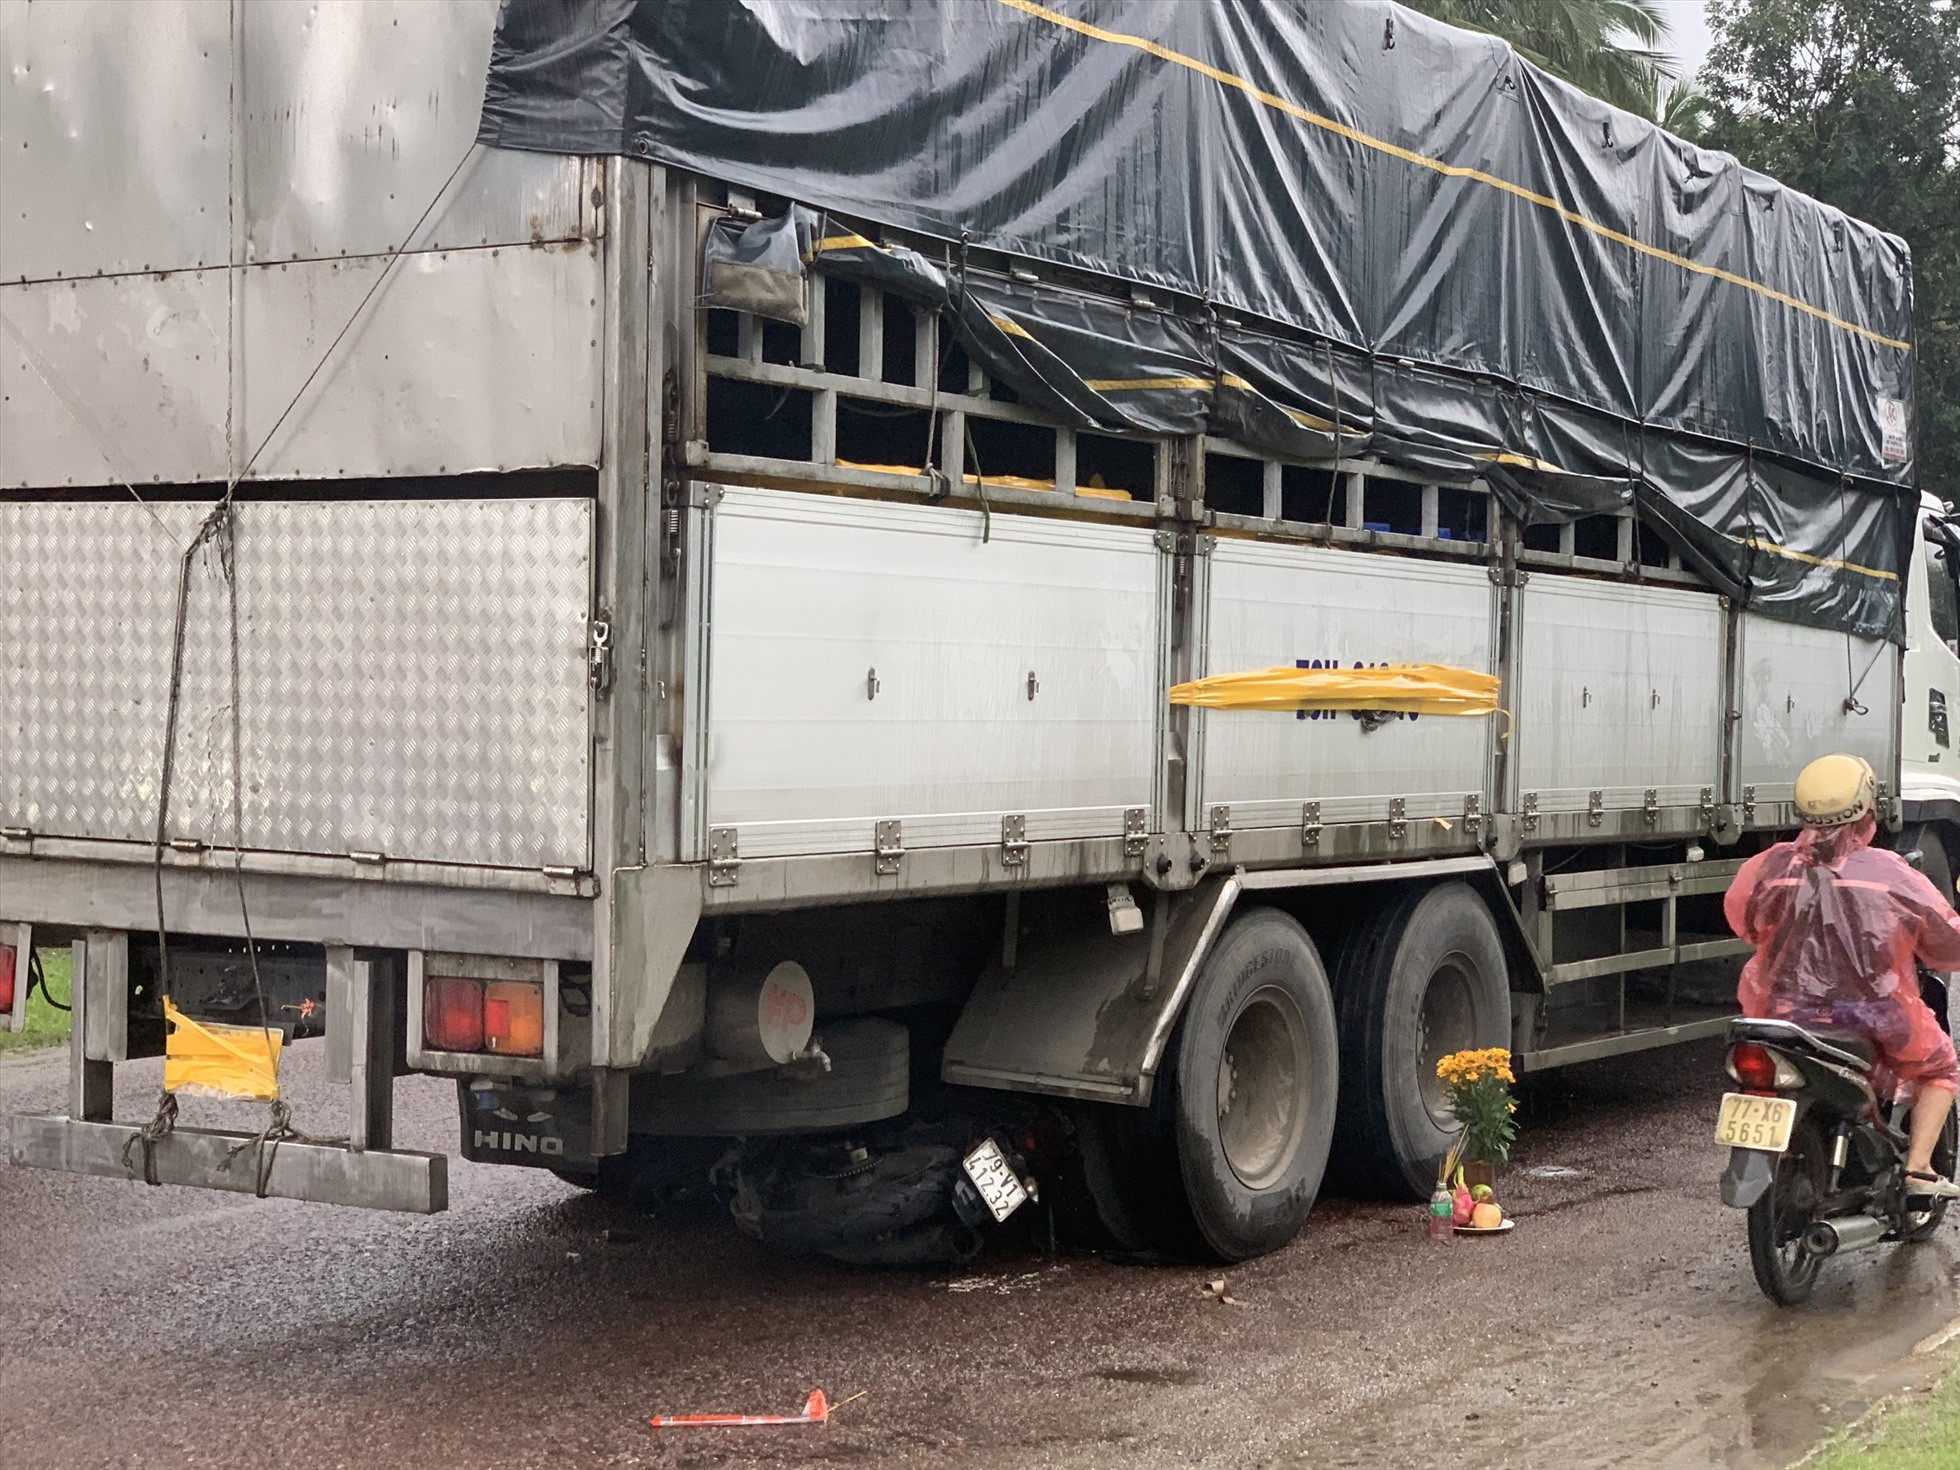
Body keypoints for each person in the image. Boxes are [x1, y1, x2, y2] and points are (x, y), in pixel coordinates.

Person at [1724, 753, 1960, 1200]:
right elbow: (1947, 941)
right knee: (1940, 1065)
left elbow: (1746, 922)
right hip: (1875, 1014)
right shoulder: (1890, 873)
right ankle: (1918, 1169)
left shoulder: (1771, 867)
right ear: (1867, 808)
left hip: (1783, 1012)